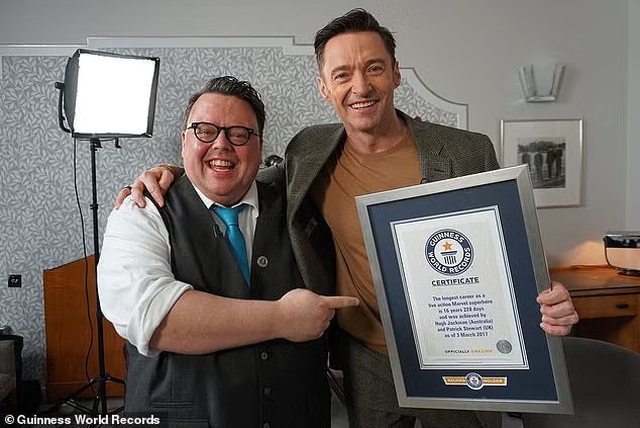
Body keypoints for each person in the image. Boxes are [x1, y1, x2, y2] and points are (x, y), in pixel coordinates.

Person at [117, 9, 579, 428]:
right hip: (366, 359)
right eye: (342, 74)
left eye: (374, 68)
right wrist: (176, 176)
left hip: (460, 353)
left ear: (396, 73)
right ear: (324, 87)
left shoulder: (467, 152)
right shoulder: (308, 151)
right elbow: (237, 173)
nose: (360, 87)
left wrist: (548, 298)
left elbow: (507, 251)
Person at [98, 76, 359, 427]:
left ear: (259, 146)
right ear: (184, 141)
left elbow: (363, 156)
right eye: (205, 131)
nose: (221, 145)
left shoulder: (300, 203)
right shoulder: (140, 210)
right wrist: (283, 318)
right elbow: (154, 318)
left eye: (239, 134)